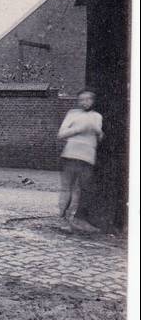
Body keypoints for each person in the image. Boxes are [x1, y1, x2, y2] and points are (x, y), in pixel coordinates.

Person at [57, 89, 104, 226]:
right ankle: (61, 216)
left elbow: (100, 136)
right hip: (71, 154)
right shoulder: (72, 114)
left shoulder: (97, 116)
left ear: (93, 101)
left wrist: (96, 129)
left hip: (87, 157)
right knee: (67, 187)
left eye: (88, 99)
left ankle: (72, 217)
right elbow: (61, 134)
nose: (85, 102)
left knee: (80, 189)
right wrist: (78, 129)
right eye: (81, 99)